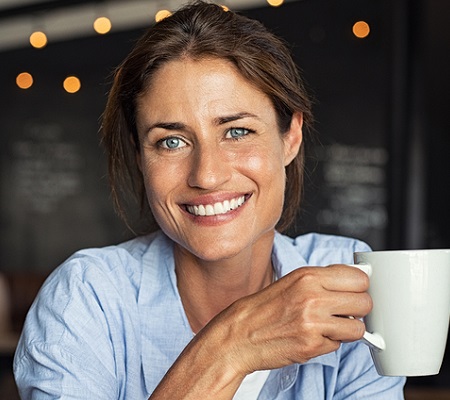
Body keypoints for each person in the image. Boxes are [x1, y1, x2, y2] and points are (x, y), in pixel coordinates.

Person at [13, 1, 405, 399]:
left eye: (237, 132)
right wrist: (231, 346)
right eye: (171, 141)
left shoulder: (346, 277)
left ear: (290, 137)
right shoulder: (88, 298)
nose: (207, 175)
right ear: (140, 157)